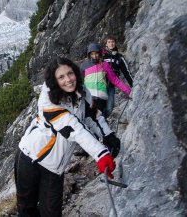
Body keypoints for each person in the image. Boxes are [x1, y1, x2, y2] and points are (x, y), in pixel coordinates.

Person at [14, 57, 120, 216]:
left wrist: (108, 135)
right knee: (26, 208)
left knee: (51, 213)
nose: (68, 79)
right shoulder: (47, 102)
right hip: (30, 158)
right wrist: (101, 154)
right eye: (61, 77)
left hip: (55, 166)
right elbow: (73, 128)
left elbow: (93, 116)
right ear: (54, 81)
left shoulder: (82, 91)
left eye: (70, 73)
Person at [80, 42, 131, 118]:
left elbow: (114, 80)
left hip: (101, 97)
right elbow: (81, 82)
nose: (94, 56)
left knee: (101, 116)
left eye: (96, 53)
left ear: (100, 53)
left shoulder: (105, 65)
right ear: (89, 54)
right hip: (89, 97)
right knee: (90, 118)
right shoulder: (84, 65)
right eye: (92, 54)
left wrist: (128, 90)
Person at [102, 36, 134, 117]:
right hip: (100, 83)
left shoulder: (119, 57)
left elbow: (126, 72)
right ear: (106, 44)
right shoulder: (102, 55)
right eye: (109, 42)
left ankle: (103, 120)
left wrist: (133, 85)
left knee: (109, 107)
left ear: (115, 43)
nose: (111, 43)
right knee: (99, 107)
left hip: (111, 84)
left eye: (112, 42)